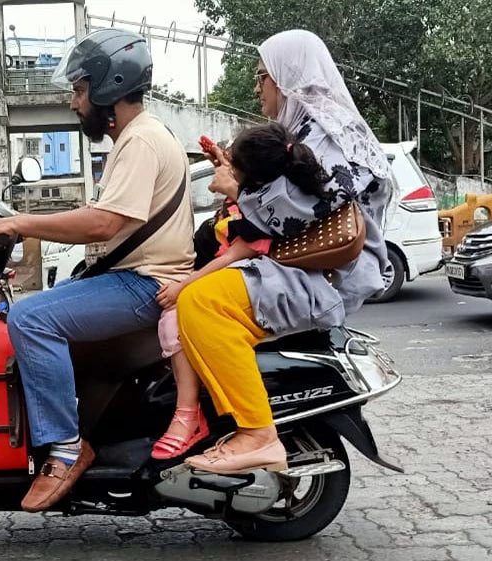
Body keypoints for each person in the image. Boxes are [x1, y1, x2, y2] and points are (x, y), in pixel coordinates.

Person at [0, 29, 194, 511]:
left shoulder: (141, 141)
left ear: (109, 86)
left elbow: (104, 223)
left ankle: (67, 448)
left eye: (79, 89)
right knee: (39, 310)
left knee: (30, 319)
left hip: (146, 283)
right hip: (141, 277)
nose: (74, 102)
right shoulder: (138, 137)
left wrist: (18, 221)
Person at [167, 29, 393, 474]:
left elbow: (299, 209)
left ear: (286, 78)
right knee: (194, 301)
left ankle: (257, 433)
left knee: (202, 303)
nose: (257, 88)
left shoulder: (327, 132)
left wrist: (238, 187)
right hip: (296, 263)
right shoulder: (309, 126)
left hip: (320, 272)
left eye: (262, 77)